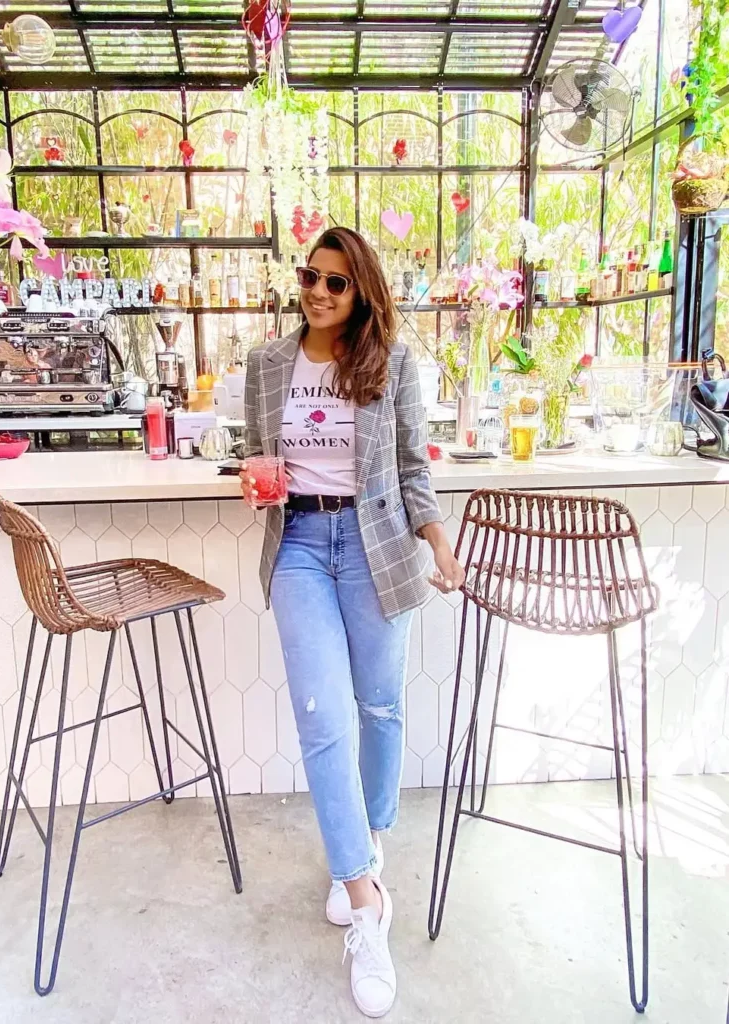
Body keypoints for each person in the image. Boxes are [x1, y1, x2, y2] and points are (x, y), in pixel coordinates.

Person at [241, 227, 464, 1019]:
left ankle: (366, 841)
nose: (318, 292)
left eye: (336, 283)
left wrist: (438, 541)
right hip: (299, 544)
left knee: (379, 707)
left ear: (360, 291)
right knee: (323, 720)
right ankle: (365, 901)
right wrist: (255, 479)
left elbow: (411, 468)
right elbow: (256, 454)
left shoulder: (391, 363)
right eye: (310, 276)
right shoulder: (267, 363)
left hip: (378, 547)